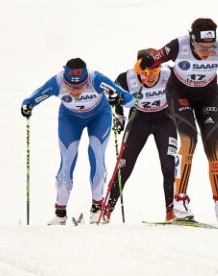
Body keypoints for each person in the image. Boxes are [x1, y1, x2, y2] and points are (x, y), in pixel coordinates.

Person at [138, 18, 218, 225]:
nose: (207, 52)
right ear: (192, 40)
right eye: (202, 47)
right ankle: (179, 201)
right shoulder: (179, 45)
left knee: (213, 147)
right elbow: (152, 60)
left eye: (210, 47)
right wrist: (147, 62)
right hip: (179, 93)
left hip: (208, 96)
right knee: (189, 140)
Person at [20, 58, 135, 225]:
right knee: (67, 160)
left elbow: (130, 100)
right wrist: (27, 105)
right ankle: (60, 214)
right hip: (70, 118)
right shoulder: (57, 82)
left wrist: (118, 99)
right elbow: (35, 96)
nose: (75, 92)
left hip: (99, 116)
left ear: (86, 81)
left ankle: (97, 209)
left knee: (96, 156)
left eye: (79, 87)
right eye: (70, 87)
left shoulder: (96, 79)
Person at [101, 50, 178, 223]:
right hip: (138, 121)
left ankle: (171, 211)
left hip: (165, 121)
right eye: (145, 72)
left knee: (168, 166)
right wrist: (119, 116)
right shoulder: (126, 79)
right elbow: (114, 95)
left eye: (154, 72)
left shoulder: (169, 73)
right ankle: (107, 209)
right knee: (124, 166)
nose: (150, 77)